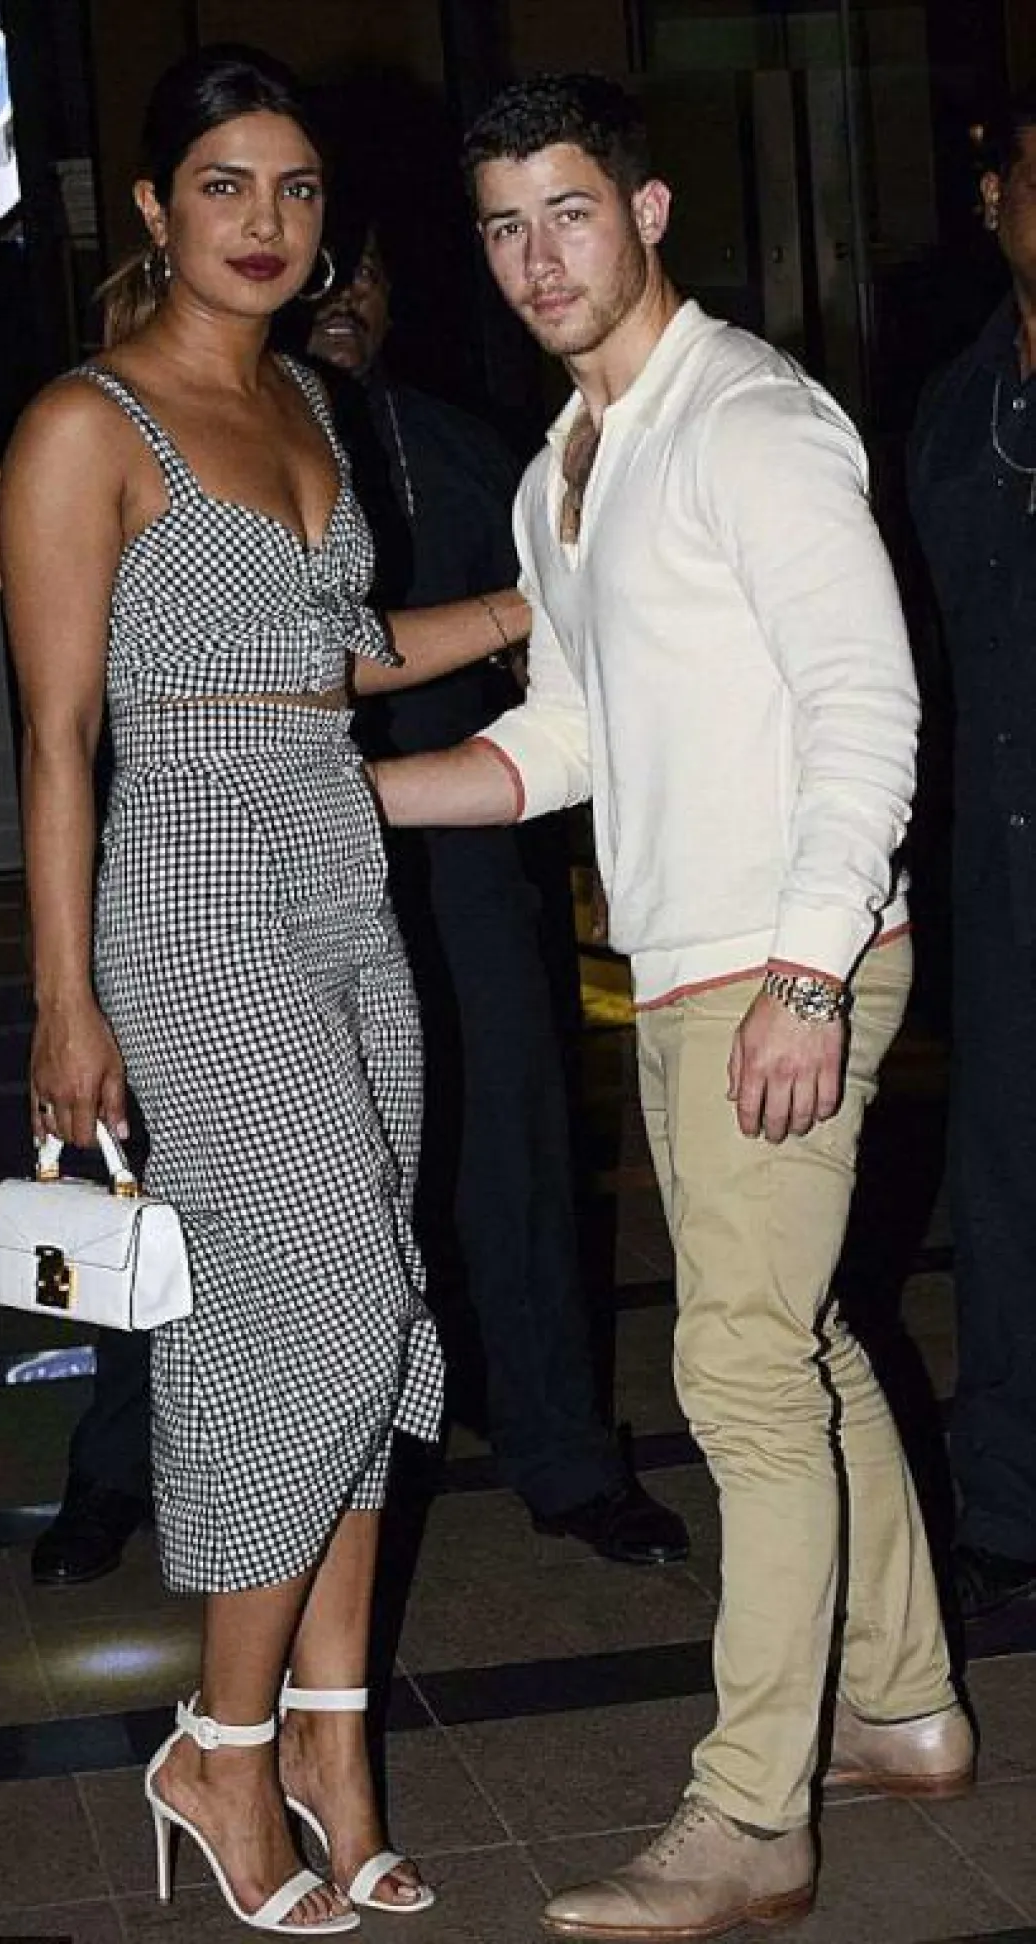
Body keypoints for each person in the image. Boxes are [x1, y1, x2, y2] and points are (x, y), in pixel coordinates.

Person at [369, 73, 969, 1943]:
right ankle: (909, 1708)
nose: (536, 257)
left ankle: (751, 1816)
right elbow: (567, 737)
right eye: (502, 225)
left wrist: (806, 972)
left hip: (780, 965)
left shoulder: (748, 420)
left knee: (736, 1373)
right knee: (800, 1342)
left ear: (646, 211)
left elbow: (867, 706)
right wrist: (352, 794)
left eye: (568, 211)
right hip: (689, 966)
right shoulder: (570, 462)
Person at [0, 44, 530, 1934]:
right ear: (155, 207)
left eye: (297, 190)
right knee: (320, 1304)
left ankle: (329, 1740)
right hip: (192, 890)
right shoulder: (87, 424)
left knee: (376, 1312)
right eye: (226, 184)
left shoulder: (308, 398)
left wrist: (534, 604)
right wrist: (63, 1001)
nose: (266, 222)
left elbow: (333, 651)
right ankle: (219, 1748)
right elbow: (58, 737)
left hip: (336, 867)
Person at [305, 215, 687, 1563]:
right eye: (319, 268)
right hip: (279, 865)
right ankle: (140, 1460)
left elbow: (572, 669)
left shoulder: (470, 453)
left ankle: (562, 1452)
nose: (341, 293)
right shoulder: (219, 442)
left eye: (365, 267)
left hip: (463, 858)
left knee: (517, 1150)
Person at [907, 88, 1036, 1623]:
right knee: (1001, 1191)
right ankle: (1008, 1496)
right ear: (995, 194)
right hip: (993, 875)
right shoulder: (954, 403)